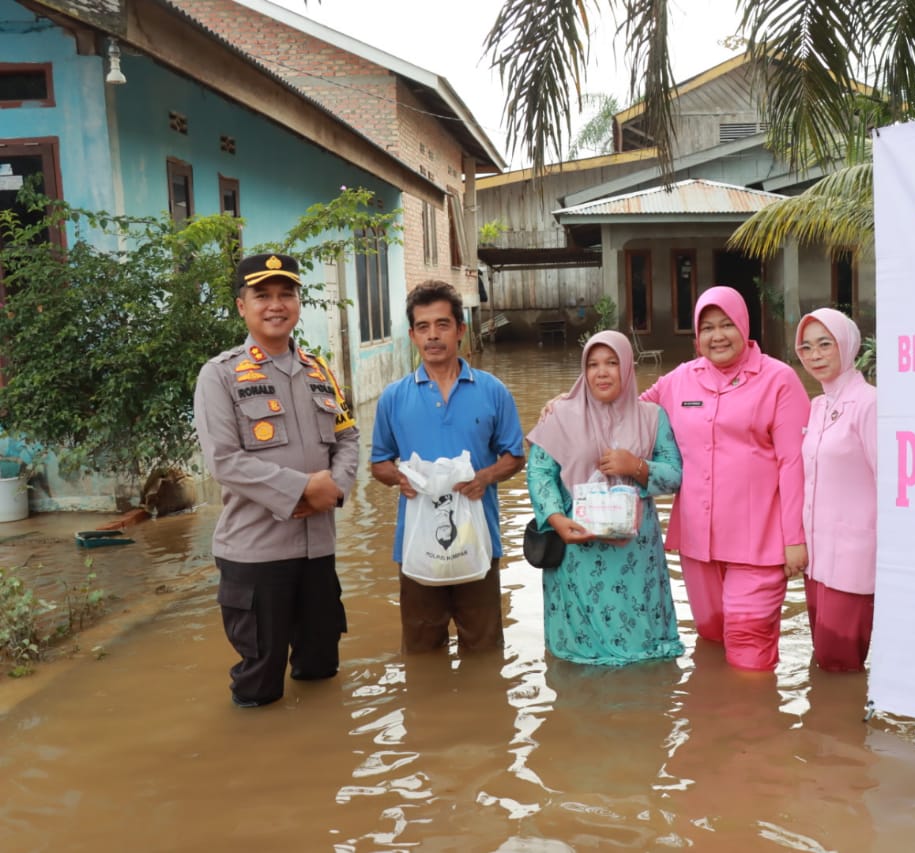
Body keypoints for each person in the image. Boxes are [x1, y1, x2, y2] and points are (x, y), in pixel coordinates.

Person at [194, 252, 359, 708]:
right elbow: (224, 460)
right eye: (262, 295)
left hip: (317, 552)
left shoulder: (318, 371)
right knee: (259, 685)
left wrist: (336, 488)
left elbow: (348, 437)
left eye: (286, 294)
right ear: (241, 306)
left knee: (322, 669)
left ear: (298, 303)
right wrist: (303, 489)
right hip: (256, 556)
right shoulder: (220, 376)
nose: (276, 304)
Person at [639, 286, 808, 671]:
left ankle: (754, 728)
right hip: (698, 543)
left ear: (744, 326)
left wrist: (795, 539)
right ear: (696, 336)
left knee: (750, 649)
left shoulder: (778, 380)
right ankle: (712, 728)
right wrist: (568, 406)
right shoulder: (679, 380)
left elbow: (793, 463)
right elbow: (629, 415)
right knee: (712, 639)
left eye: (727, 324)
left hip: (760, 543)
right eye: (707, 327)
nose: (717, 336)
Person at [370, 282, 524, 654]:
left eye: (442, 324)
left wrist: (485, 477)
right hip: (417, 543)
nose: (433, 335)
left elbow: (516, 456)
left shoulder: (492, 391)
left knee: (484, 647)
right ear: (412, 335)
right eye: (423, 327)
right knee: (422, 651)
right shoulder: (394, 397)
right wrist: (400, 477)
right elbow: (378, 464)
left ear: (460, 329)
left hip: (479, 541)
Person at [526, 331, 684, 666]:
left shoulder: (652, 417)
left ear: (627, 367)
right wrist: (555, 518)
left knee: (642, 657)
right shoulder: (560, 415)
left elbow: (674, 476)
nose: (602, 372)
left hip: (635, 559)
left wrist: (637, 466)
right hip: (577, 552)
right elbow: (539, 472)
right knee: (579, 661)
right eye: (593, 364)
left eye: (612, 363)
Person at [794, 308, 876, 672]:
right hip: (817, 558)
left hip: (854, 557)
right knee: (825, 661)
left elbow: (889, 482)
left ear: (847, 345)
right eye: (807, 347)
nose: (815, 355)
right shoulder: (818, 406)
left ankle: (839, 727)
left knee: (841, 665)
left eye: (825, 344)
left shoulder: (871, 403)